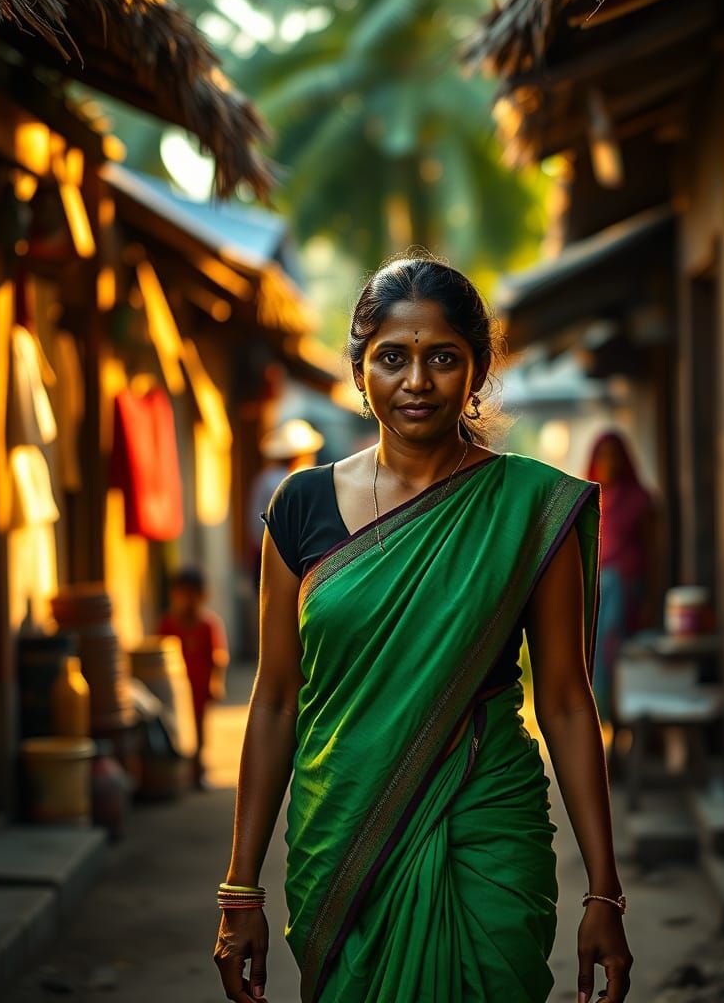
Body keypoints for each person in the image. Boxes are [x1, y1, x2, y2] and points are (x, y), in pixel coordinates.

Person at [214, 254, 633, 1003]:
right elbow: (276, 699)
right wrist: (239, 888)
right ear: (360, 368)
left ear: (476, 372)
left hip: (485, 826)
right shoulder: (301, 506)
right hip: (342, 834)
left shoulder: (528, 509)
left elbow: (567, 701)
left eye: (443, 358)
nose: (417, 381)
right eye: (392, 358)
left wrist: (605, 891)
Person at [585, 431, 656, 727]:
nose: (609, 462)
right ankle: (607, 729)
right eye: (603, 456)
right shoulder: (590, 499)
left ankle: (625, 729)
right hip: (598, 593)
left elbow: (655, 553)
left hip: (627, 593)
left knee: (621, 661)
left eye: (614, 455)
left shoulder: (640, 501)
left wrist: (651, 599)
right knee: (596, 663)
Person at [158, 566, 229, 790]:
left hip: (199, 688)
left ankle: (199, 770)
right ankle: (182, 772)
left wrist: (216, 683)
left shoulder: (208, 624)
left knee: (199, 731)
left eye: (192, 595)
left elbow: (218, 657)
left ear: (202, 596)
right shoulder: (168, 624)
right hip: (176, 689)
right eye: (183, 594)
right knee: (176, 730)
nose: (187, 601)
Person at [246, 419, 325, 582]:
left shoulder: (265, 479)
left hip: (267, 554)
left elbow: (254, 525)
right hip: (299, 559)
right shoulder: (299, 481)